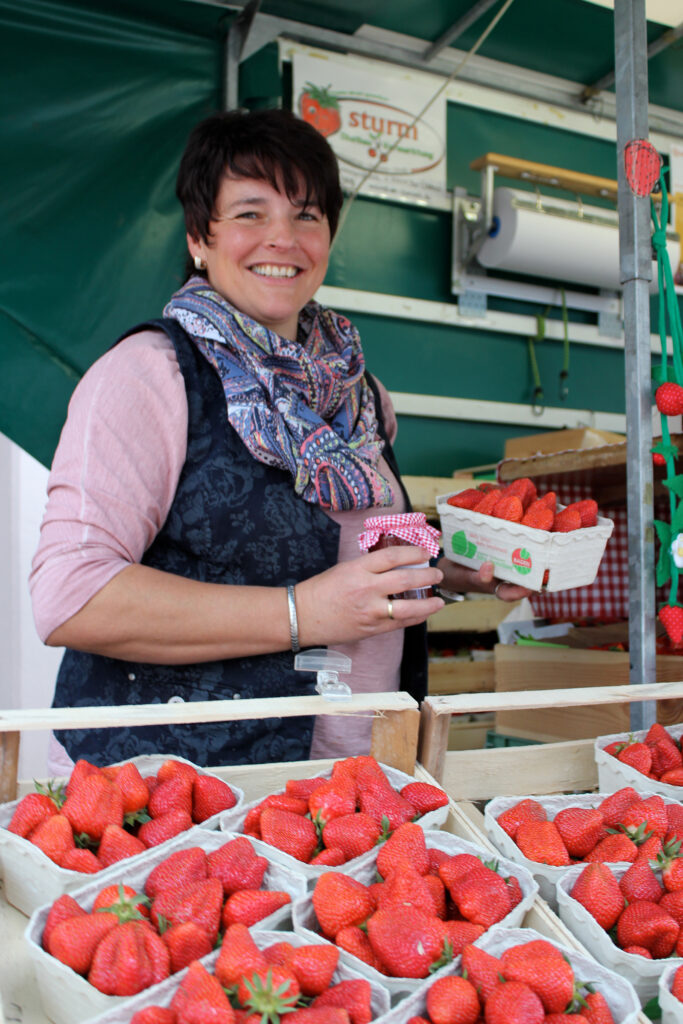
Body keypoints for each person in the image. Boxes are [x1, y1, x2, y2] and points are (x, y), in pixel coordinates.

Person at [30, 108, 529, 771]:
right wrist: (302, 613)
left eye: (306, 215)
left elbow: (357, 538)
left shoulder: (358, 390)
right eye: (249, 213)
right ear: (198, 237)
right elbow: (71, 596)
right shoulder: (150, 375)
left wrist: (446, 566)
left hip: (359, 777)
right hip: (188, 789)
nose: (283, 239)